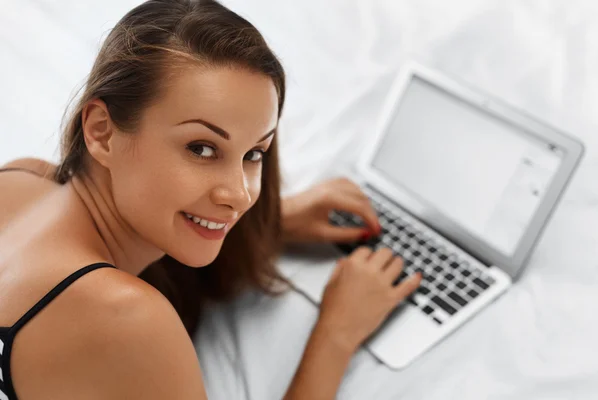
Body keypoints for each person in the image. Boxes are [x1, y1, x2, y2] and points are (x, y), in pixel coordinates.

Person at [0, 0, 422, 398]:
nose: (239, 195)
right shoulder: (127, 318)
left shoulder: (22, 176)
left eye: (254, 153)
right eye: (201, 149)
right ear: (101, 131)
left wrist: (274, 223)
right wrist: (337, 333)